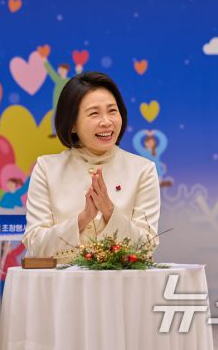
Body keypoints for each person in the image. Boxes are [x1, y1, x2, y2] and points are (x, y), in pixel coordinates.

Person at [23, 72, 160, 263]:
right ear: (72, 124)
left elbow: (146, 247)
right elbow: (36, 245)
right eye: (94, 113)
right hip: (60, 281)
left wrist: (109, 212)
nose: (107, 122)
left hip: (121, 281)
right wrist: (83, 219)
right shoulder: (47, 168)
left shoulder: (143, 170)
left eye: (112, 111)